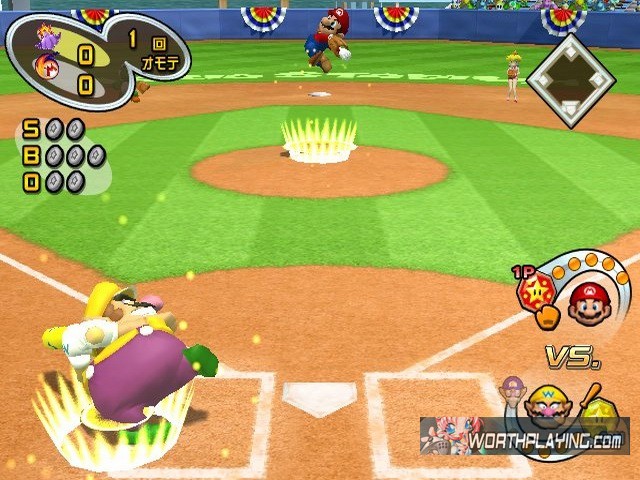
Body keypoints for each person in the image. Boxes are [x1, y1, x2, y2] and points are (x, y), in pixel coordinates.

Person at [304, 8, 351, 73]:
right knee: (321, 58)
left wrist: (340, 51)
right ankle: (317, 58)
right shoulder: (327, 36)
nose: (327, 21)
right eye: (329, 17)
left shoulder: (332, 37)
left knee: (328, 67)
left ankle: (318, 59)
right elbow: (325, 38)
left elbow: (332, 44)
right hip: (312, 43)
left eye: (333, 23)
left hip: (323, 44)